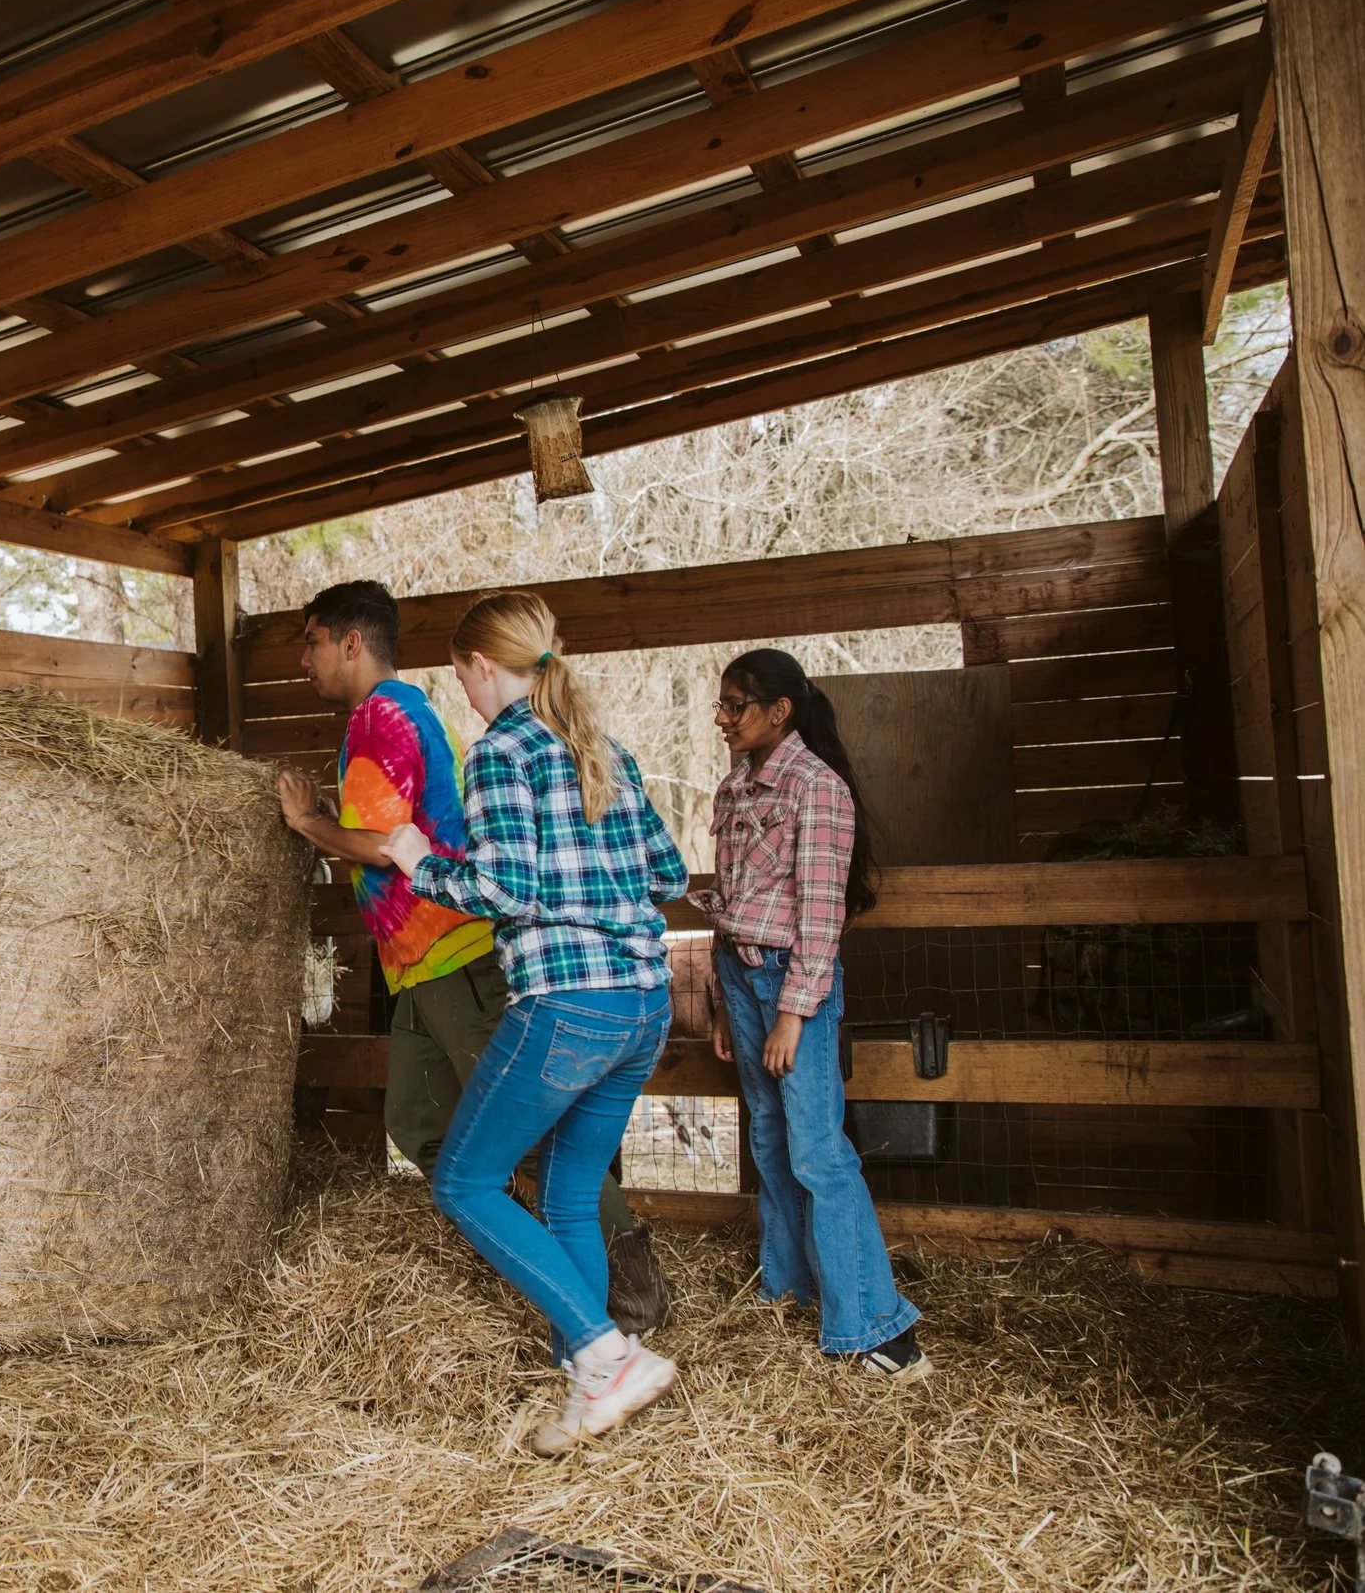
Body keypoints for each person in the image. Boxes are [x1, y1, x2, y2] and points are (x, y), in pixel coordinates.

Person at [275, 582, 667, 1334]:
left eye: (314, 641)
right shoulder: (402, 712)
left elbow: (386, 845)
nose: (305, 659)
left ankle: (628, 1294)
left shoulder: (384, 715)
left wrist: (307, 823)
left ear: (352, 642)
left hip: (453, 947)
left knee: (537, 1137)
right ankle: (534, 1253)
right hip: (416, 959)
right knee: (415, 1116)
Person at [382, 591, 688, 1455]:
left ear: (481, 666)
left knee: (465, 1183)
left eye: (462, 678)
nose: (466, 696)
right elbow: (664, 870)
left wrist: (417, 861)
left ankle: (602, 1352)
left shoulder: (502, 750)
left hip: (566, 1003)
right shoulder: (603, 749)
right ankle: (592, 1390)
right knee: (565, 1193)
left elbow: (502, 888)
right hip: (640, 1003)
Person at [695, 649, 929, 1381]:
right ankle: (791, 1286)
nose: (723, 718)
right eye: (722, 704)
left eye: (737, 705)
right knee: (768, 1138)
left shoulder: (816, 787)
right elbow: (728, 901)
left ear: (779, 711)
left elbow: (822, 913)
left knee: (817, 1150)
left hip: (795, 982)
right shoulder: (735, 787)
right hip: (742, 973)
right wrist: (723, 1004)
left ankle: (880, 1330)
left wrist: (795, 1012)